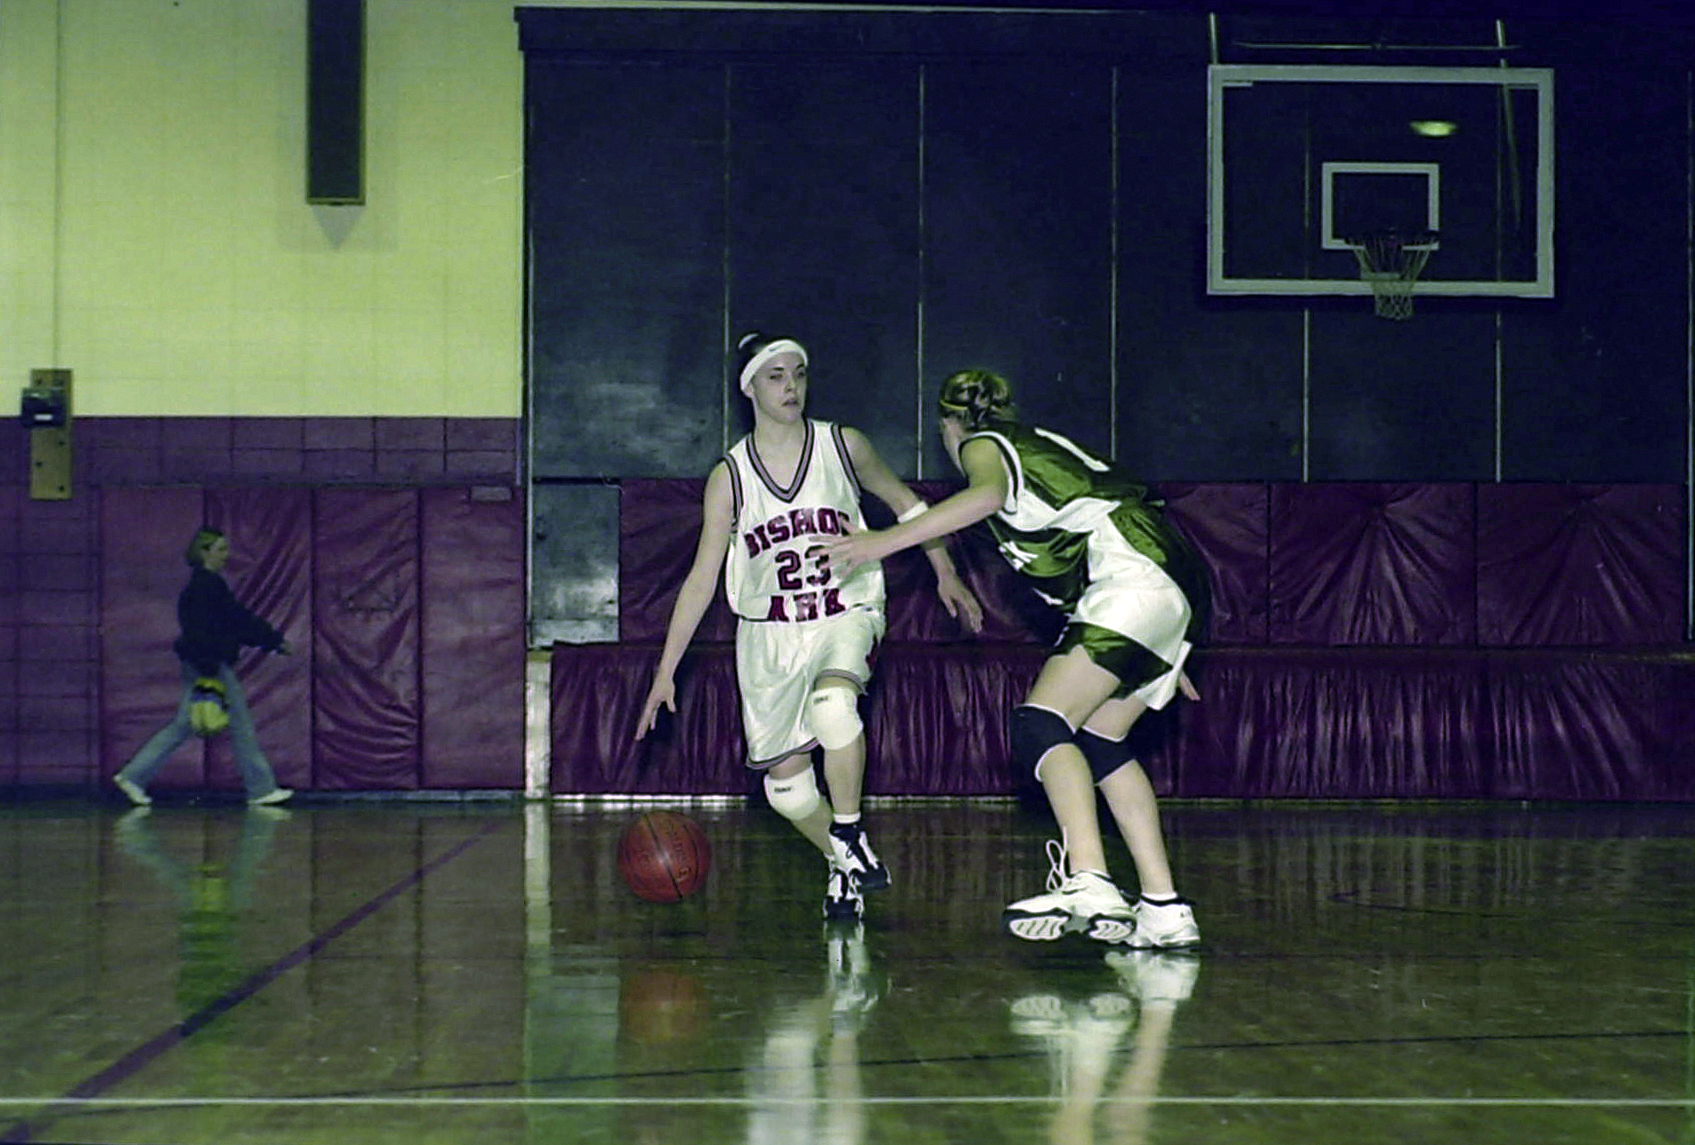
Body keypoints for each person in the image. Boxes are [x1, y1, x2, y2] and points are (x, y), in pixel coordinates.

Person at [822, 368, 1207, 949]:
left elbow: (985, 496)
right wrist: (1163, 642)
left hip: (1133, 572)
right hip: (1167, 580)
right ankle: (1163, 907)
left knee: (1040, 724)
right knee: (1102, 740)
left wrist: (878, 543)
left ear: (948, 425)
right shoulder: (1037, 449)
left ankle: (1090, 879)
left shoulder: (985, 445)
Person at [635, 333, 983, 922]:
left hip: (844, 609)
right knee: (788, 791)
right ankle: (842, 861)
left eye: (797, 373)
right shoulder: (730, 477)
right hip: (768, 635)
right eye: (775, 376)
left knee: (833, 707)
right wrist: (665, 671)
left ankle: (848, 832)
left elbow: (909, 507)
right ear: (749, 387)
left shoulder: (843, 445)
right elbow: (700, 579)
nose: (790, 386)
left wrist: (945, 571)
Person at [113, 527, 294, 807]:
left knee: (183, 725)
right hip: (210, 665)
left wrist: (270, 641)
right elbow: (235, 621)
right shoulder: (207, 587)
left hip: (201, 663)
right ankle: (261, 789)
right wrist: (273, 641)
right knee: (241, 726)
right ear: (204, 552)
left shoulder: (202, 586)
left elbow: (232, 622)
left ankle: (133, 776)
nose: (226, 555)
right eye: (220, 549)